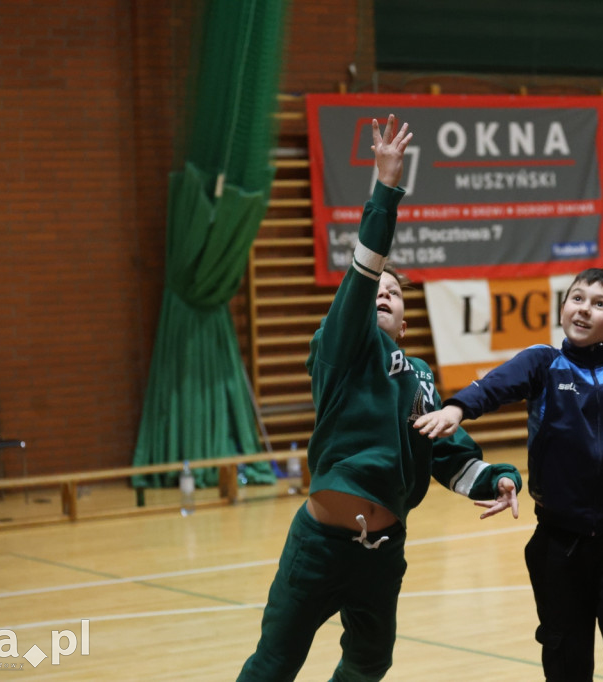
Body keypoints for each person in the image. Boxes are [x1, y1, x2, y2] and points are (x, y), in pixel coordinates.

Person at [237, 114, 523, 682]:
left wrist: (498, 479)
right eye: (376, 290)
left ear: (407, 321)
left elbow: (449, 453)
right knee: (275, 662)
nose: (384, 295)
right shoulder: (341, 349)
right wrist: (385, 191)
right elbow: (364, 273)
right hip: (320, 544)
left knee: (370, 661)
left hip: (384, 551)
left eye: (395, 294)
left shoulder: (417, 374)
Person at [415, 268, 603, 682]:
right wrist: (456, 409)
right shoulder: (544, 364)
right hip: (556, 547)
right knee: (565, 659)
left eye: (600, 304)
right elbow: (493, 387)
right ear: (563, 309)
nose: (584, 309)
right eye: (577, 298)